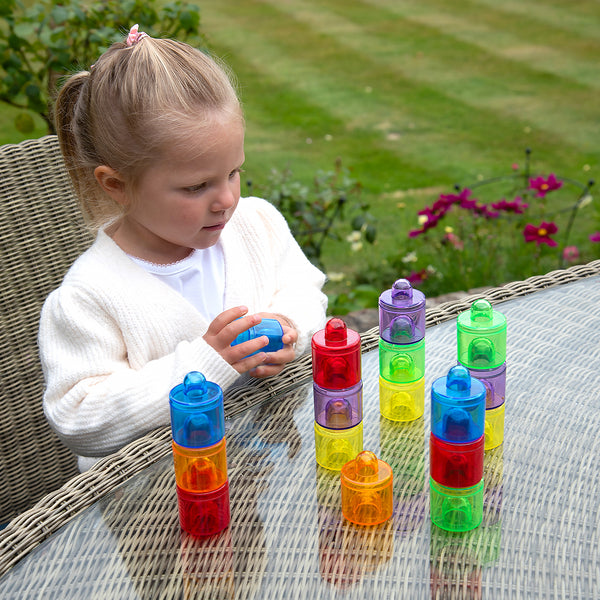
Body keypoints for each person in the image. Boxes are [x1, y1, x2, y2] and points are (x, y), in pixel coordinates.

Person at [39, 25, 327, 471]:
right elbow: (79, 416)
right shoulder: (90, 296)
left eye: (233, 172)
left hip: (267, 470)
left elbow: (305, 290)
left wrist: (291, 326)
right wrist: (206, 365)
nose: (227, 199)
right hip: (153, 505)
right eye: (197, 186)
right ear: (117, 185)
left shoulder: (255, 225)